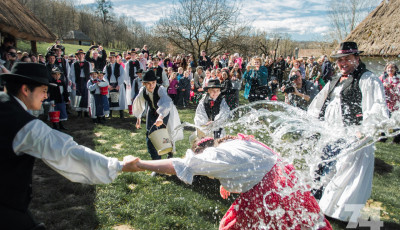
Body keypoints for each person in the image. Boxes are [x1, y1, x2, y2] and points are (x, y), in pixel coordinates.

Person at [0, 62, 139, 230]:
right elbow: (68, 153)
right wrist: (119, 165)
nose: (45, 96)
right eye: (43, 91)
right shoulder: (25, 126)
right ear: (25, 89)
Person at [127, 134, 332, 230]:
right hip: (288, 183)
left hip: (269, 195)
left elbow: (178, 165)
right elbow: (251, 164)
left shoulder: (215, 157)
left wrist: (140, 164)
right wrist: (225, 184)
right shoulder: (237, 142)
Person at [307, 42, 389, 221]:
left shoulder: (367, 79)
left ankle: (340, 214)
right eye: (340, 60)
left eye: (347, 59)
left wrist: (366, 130)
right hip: (330, 134)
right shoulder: (335, 80)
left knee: (348, 176)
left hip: (352, 137)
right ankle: (320, 206)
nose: (343, 63)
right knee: (322, 168)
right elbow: (318, 104)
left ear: (357, 59)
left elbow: (376, 106)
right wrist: (311, 123)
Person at [132, 70, 183, 161]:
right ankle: (156, 161)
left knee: (164, 134)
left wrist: (161, 117)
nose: (151, 85)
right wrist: (138, 118)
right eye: (148, 83)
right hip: (152, 111)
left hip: (165, 111)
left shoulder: (161, 89)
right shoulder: (142, 91)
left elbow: (166, 103)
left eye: (153, 83)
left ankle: (169, 152)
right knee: (150, 134)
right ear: (144, 83)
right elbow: (138, 104)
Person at [379, 62, 400, 144]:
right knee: (383, 120)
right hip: (385, 104)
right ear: (386, 69)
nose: (390, 69)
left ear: (395, 69)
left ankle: (397, 140)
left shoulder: (398, 79)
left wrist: (394, 87)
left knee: (396, 121)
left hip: (395, 104)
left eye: (392, 68)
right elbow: (377, 86)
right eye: (388, 68)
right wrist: (383, 85)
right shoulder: (382, 78)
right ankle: (382, 138)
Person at [103, 52, 128, 118]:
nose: (112, 59)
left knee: (119, 98)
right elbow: (104, 76)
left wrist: (119, 84)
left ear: (115, 58)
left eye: (113, 57)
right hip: (110, 84)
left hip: (118, 84)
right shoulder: (106, 67)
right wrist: (107, 84)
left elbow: (122, 75)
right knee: (110, 98)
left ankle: (121, 113)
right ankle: (109, 113)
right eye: (110, 58)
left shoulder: (119, 66)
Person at [69, 49, 92, 117]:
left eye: (82, 54)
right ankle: (79, 111)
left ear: (84, 55)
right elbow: (72, 74)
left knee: (86, 95)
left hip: (86, 80)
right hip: (78, 81)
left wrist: (90, 81)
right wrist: (73, 83)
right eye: (79, 55)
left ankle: (85, 111)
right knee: (78, 96)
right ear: (77, 56)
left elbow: (91, 73)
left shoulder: (88, 64)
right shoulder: (74, 64)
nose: (81, 56)